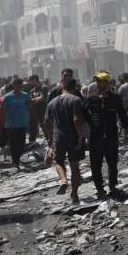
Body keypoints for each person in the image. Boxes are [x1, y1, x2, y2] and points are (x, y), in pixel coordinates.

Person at [84, 72, 128, 199]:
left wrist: (127, 127)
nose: (98, 84)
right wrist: (92, 123)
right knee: (96, 164)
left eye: (100, 81)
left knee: (112, 162)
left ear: (107, 83)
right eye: (97, 81)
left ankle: (113, 186)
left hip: (111, 135)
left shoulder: (115, 98)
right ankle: (100, 189)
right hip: (96, 137)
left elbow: (122, 113)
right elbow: (83, 112)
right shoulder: (92, 98)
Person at [45, 76, 87, 204]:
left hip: (58, 137)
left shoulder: (52, 102)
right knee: (75, 166)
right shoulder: (76, 100)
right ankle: (74, 194)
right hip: (73, 137)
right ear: (74, 88)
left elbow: (47, 122)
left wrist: (50, 138)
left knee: (58, 161)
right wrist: (80, 136)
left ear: (62, 86)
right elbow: (76, 120)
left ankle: (63, 180)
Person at [0, 77, 34, 169]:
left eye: (20, 86)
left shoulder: (25, 95)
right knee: (13, 144)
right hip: (12, 124)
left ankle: (17, 158)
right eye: (17, 86)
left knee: (21, 144)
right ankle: (16, 162)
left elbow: (30, 106)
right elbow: (2, 109)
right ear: (13, 85)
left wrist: (31, 119)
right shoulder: (7, 97)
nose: (19, 88)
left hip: (23, 123)